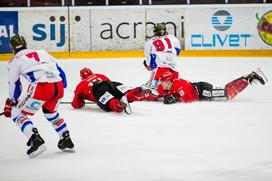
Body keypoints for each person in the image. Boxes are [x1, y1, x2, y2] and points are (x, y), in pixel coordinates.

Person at [3, 34, 75, 159]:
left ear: (12, 48)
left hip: (41, 87)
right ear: (25, 43)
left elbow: (15, 84)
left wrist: (12, 101)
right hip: (57, 85)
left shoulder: (14, 61)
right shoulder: (42, 52)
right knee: (50, 113)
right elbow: (60, 70)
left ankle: (35, 140)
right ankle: (66, 139)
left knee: (16, 112)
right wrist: (59, 89)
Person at [156, 68, 268, 104]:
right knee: (226, 91)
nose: (162, 84)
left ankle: (249, 78)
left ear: (171, 81)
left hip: (203, 92)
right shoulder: (164, 87)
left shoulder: (179, 84)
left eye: (165, 82)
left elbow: (188, 98)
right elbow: (156, 94)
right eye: (162, 82)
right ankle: (247, 78)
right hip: (199, 88)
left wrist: (175, 99)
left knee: (227, 94)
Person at [71, 67, 156, 114]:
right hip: (111, 84)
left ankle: (120, 103)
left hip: (98, 90)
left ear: (81, 77)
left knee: (110, 103)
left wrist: (82, 101)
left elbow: (77, 105)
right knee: (126, 93)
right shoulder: (99, 75)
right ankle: (139, 91)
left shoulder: (80, 85)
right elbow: (111, 87)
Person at [143, 22, 181, 95]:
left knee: (155, 71)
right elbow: (178, 50)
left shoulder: (150, 42)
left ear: (155, 31)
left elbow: (148, 55)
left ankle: (153, 86)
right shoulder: (172, 37)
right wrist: (170, 54)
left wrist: (149, 65)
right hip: (174, 66)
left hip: (161, 67)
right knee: (174, 83)